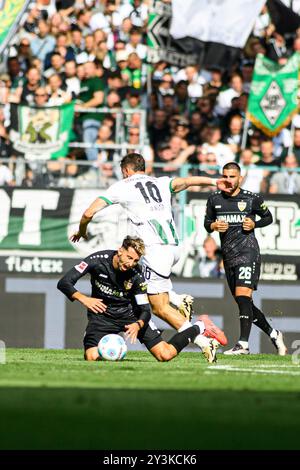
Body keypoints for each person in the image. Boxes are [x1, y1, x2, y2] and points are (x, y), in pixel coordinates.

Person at [70, 153, 229, 351]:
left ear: (126, 170)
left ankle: (202, 332)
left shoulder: (123, 186)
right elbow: (188, 181)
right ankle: (179, 299)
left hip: (155, 251)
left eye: (123, 172)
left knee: (158, 307)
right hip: (172, 247)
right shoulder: (160, 182)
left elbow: (88, 213)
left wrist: (82, 230)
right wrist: (215, 181)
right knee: (134, 273)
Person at [57, 236, 218, 363]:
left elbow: (145, 310)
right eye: (129, 257)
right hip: (102, 318)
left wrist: (138, 324)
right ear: (120, 250)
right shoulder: (97, 260)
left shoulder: (137, 275)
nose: (131, 263)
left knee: (165, 355)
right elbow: (64, 282)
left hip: (131, 316)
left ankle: (199, 326)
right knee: (92, 357)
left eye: (135, 260)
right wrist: (84, 299)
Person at [204, 161, 287, 355]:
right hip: (228, 255)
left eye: (232, 176)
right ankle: (274, 334)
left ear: (240, 178)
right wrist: (214, 226)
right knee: (244, 303)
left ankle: (243, 344)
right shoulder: (214, 198)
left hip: (248, 252)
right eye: (225, 176)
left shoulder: (252, 199)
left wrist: (254, 223)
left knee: (243, 297)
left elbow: (268, 217)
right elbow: (207, 223)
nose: (228, 180)